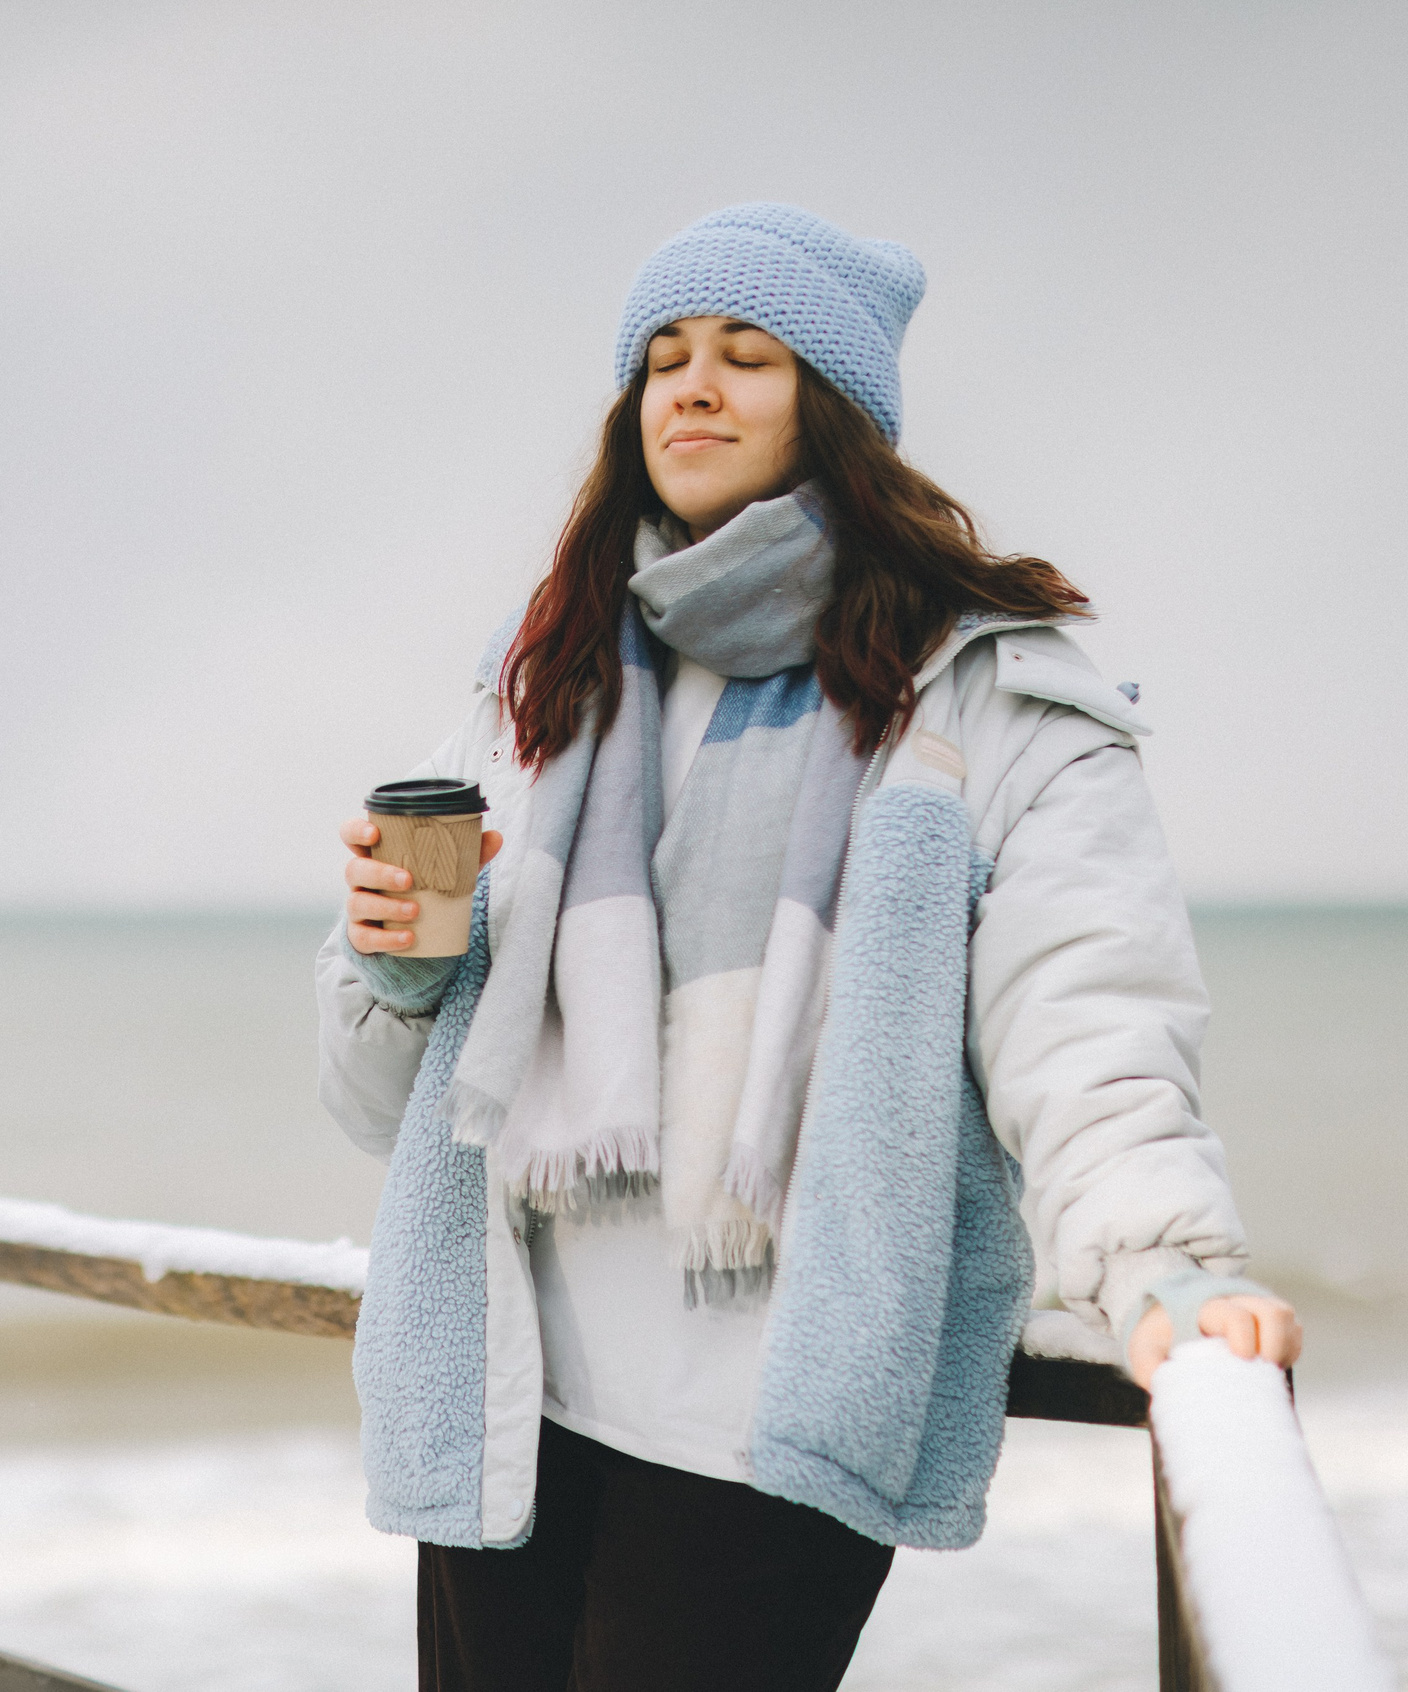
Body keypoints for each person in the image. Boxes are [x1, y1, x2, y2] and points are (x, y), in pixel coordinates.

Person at [313, 203, 1301, 1692]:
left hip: (768, 1425)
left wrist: (1162, 1261)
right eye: (662, 358)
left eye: (746, 356)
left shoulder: (980, 699)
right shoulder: (550, 685)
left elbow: (1087, 1013)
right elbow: (390, 1109)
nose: (691, 389)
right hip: (510, 1394)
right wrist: (394, 975)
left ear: (833, 412)